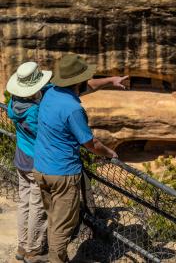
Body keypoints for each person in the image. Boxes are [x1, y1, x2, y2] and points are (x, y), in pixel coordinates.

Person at [33, 54, 118, 263]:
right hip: (62, 174)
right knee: (63, 227)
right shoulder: (73, 109)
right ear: (77, 81)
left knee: (53, 217)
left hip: (41, 167)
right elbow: (90, 143)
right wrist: (110, 153)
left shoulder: (50, 92)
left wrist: (110, 81)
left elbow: (85, 86)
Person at [6, 62, 52, 263]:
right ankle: (34, 250)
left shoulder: (13, 102)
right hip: (36, 161)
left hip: (21, 157)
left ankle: (22, 245)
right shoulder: (34, 111)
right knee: (37, 205)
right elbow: (45, 132)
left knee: (24, 203)